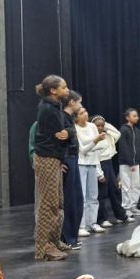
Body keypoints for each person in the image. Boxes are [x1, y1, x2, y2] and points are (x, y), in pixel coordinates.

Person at [33, 75, 72, 261]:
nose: (67, 90)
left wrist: (68, 133)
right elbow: (60, 136)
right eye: (64, 87)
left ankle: (54, 241)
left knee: (58, 202)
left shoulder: (56, 106)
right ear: (53, 90)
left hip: (54, 158)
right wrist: (68, 134)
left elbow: (68, 129)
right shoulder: (48, 109)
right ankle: (43, 248)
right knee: (48, 204)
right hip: (46, 158)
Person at [91, 115, 130, 227]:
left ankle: (121, 216)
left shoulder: (107, 135)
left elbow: (117, 134)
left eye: (102, 125)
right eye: (98, 125)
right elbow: (94, 158)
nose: (100, 127)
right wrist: (99, 174)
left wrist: (106, 125)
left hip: (109, 164)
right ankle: (102, 219)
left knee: (114, 191)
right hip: (100, 165)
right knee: (102, 193)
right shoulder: (93, 138)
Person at [75, 107, 106, 234]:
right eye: (81, 113)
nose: (85, 114)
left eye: (86, 111)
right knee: (82, 196)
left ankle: (92, 223)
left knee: (93, 196)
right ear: (76, 117)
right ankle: (81, 226)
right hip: (81, 163)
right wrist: (95, 141)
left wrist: (93, 144)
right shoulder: (75, 128)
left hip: (93, 163)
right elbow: (82, 150)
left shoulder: (92, 126)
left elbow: (98, 145)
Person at [60, 91, 85, 245]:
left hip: (73, 159)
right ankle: (67, 238)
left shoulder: (68, 118)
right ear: (71, 102)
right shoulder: (62, 117)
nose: (80, 105)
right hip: (68, 159)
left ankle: (72, 237)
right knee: (70, 200)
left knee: (77, 199)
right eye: (79, 102)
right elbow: (57, 140)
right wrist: (60, 160)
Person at [118, 108, 140, 217]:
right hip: (126, 163)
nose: (137, 118)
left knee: (136, 186)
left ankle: (133, 207)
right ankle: (126, 208)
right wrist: (131, 162)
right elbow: (123, 147)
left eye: (137, 116)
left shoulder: (137, 130)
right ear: (127, 117)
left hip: (136, 163)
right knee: (126, 186)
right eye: (134, 116)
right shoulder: (123, 129)